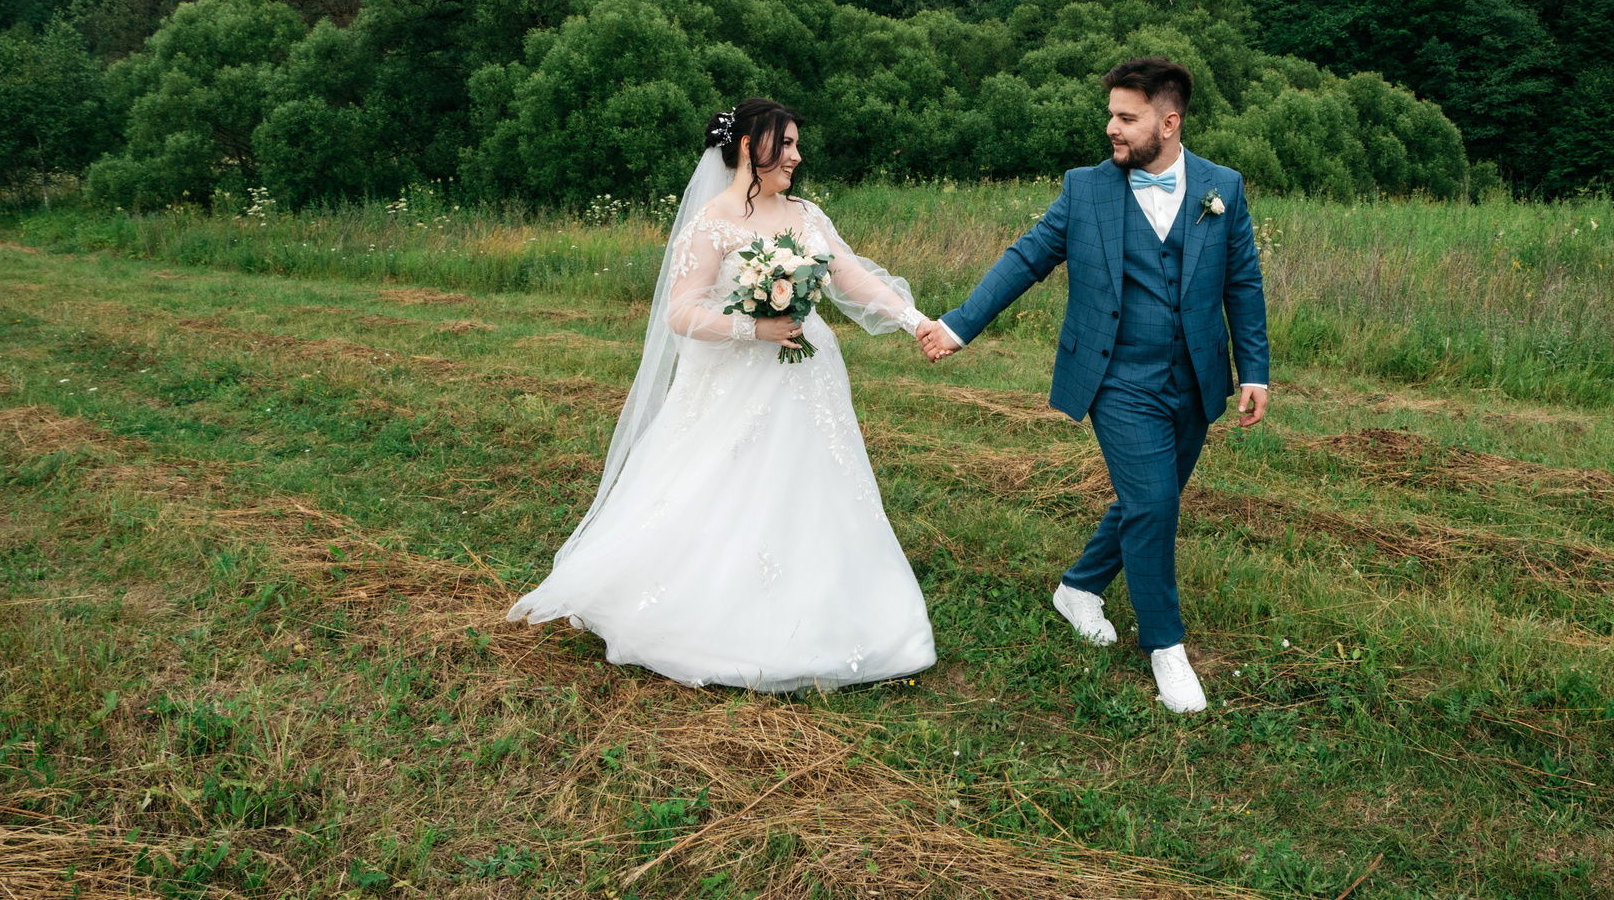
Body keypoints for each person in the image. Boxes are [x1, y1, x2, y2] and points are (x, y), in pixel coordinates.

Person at [506, 98, 937, 692]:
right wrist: (755, 327)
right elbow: (680, 312)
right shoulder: (712, 221)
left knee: (816, 485)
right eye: (783, 144)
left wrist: (917, 321)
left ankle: (836, 605)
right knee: (724, 486)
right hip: (738, 380)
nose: (796, 155)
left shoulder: (807, 213)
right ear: (746, 148)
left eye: (794, 144)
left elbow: (850, 275)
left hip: (807, 378)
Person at [915, 57, 1268, 713]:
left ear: (1169, 121)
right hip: (1116, 376)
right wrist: (961, 324)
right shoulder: (1086, 190)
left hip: (1196, 377)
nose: (1111, 127)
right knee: (1157, 506)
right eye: (1110, 113)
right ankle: (1166, 648)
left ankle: (1080, 587)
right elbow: (1027, 257)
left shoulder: (1224, 187)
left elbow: (1242, 282)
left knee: (1146, 501)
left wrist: (1255, 369)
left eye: (1126, 117)